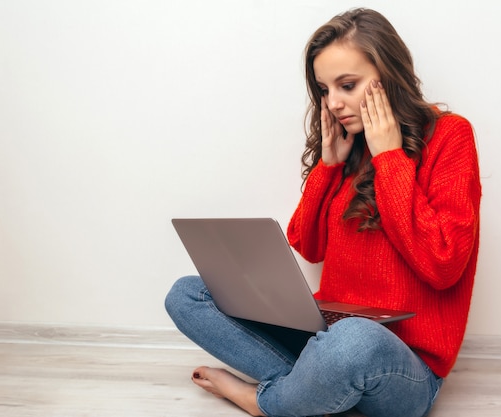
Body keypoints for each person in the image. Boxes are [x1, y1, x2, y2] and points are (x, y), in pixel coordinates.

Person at [165, 7, 481, 417]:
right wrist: (328, 166)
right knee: (188, 294)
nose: (333, 103)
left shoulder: (450, 136)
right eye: (324, 90)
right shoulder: (350, 144)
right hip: (326, 336)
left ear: (390, 73)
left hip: (402, 368)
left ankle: (264, 400)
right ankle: (315, 387)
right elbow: (307, 245)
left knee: (354, 342)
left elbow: (444, 263)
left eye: (347, 85)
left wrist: (389, 158)